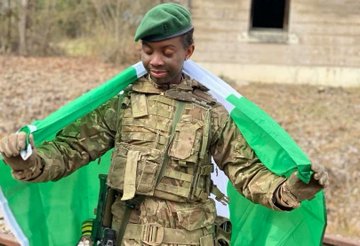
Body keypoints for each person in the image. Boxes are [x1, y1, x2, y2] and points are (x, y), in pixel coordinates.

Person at [0, 3, 328, 246]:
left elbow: (248, 173)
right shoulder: (122, 105)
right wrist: (26, 160)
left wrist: (290, 190)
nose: (156, 60)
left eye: (167, 51)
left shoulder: (212, 114)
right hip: (125, 237)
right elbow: (68, 151)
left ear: (189, 51)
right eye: (148, 50)